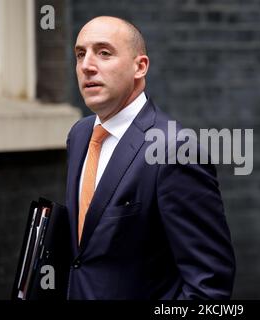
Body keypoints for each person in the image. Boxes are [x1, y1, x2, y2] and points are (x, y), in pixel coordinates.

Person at [65, 16, 235, 299]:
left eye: (104, 53)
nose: (87, 66)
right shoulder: (80, 135)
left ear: (140, 67)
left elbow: (209, 283)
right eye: (80, 54)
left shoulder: (175, 148)